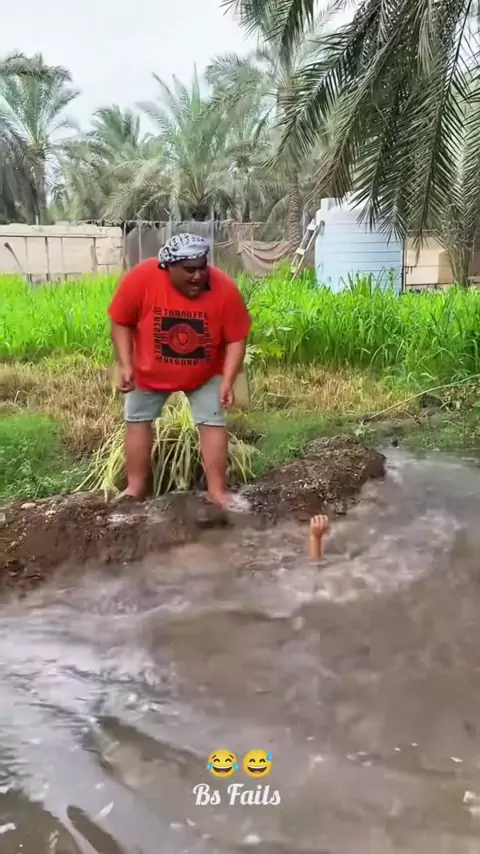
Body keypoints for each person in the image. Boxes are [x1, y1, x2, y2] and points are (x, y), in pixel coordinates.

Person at [107, 233, 251, 510]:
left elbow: (237, 338)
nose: (198, 276)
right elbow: (120, 321)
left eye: (202, 267)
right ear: (168, 267)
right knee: (136, 418)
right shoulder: (141, 279)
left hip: (205, 373)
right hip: (148, 371)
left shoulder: (224, 288)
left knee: (213, 421)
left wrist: (228, 380)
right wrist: (125, 364)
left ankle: (218, 491)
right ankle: (135, 488)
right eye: (189, 270)